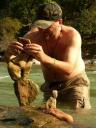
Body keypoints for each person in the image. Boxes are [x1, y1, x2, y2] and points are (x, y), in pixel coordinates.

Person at [6, 2, 91, 109]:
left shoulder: (72, 35)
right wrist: (9, 55)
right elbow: (17, 66)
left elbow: (68, 69)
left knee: (79, 119)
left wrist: (42, 57)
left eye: (47, 26)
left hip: (75, 84)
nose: (42, 30)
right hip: (50, 87)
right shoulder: (32, 36)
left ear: (59, 22)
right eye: (39, 25)